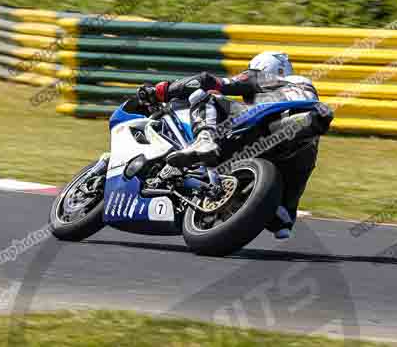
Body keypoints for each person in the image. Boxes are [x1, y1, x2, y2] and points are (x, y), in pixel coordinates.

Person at [137, 51, 332, 239]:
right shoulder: (305, 92)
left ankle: (204, 139)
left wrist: (163, 91)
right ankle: (273, 209)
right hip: (301, 143)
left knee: (205, 96)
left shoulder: (263, 77)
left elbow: (208, 80)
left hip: (269, 122)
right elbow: (299, 180)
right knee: (284, 218)